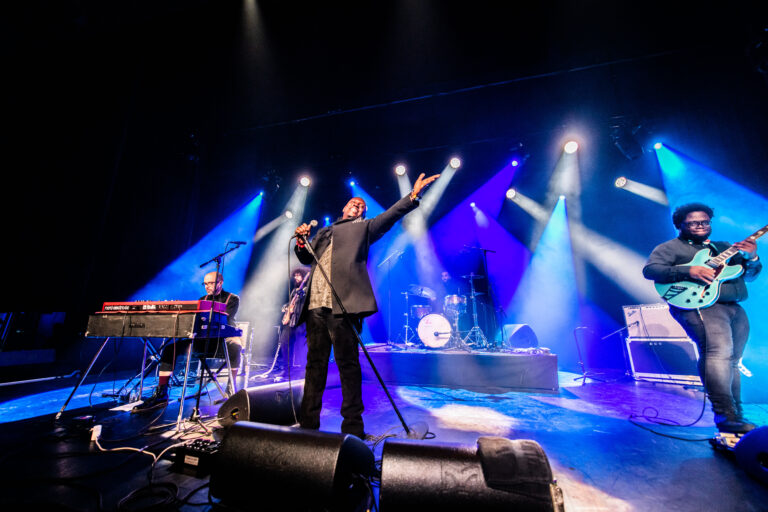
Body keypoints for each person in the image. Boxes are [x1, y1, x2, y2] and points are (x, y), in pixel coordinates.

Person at [293, 172, 440, 439]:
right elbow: (306, 258)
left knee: (347, 365)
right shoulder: (325, 232)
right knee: (315, 365)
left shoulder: (364, 228)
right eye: (354, 203)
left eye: (362, 206)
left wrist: (413, 196)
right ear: (344, 207)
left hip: (343, 306)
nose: (357, 206)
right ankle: (307, 425)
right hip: (315, 305)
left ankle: (352, 429)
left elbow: (390, 217)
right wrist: (302, 241)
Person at [643, 203, 761, 433]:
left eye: (705, 222)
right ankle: (724, 415)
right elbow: (651, 271)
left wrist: (752, 257)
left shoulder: (724, 247)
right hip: (700, 305)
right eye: (694, 223)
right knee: (718, 354)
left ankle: (736, 415)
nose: (700, 226)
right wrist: (689, 271)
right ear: (680, 225)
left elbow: (750, 276)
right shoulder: (670, 247)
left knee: (733, 361)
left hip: (734, 307)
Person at [132, 271, 241, 413]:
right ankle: (161, 394)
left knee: (236, 346)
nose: (207, 286)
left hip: (221, 341)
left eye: (211, 283)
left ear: (220, 282)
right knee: (169, 349)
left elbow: (225, 319)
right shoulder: (202, 299)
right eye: (205, 283)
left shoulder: (232, 299)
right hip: (202, 341)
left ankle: (231, 388)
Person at [274, 267, 310, 381]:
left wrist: (303, 294)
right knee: (285, 344)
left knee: (301, 347)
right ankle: (286, 370)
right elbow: (290, 303)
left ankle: (305, 371)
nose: (296, 277)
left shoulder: (307, 289)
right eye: (295, 275)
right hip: (291, 323)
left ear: (304, 276)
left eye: (298, 275)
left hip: (302, 322)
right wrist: (285, 307)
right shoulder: (294, 291)